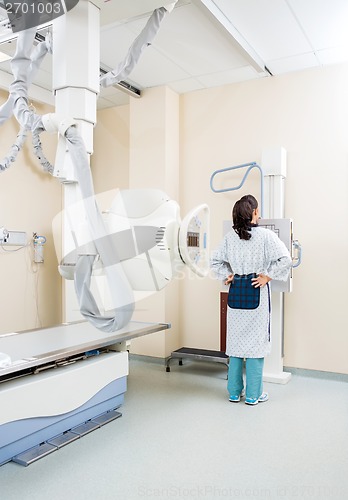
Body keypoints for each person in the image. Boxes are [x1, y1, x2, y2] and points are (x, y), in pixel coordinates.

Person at [210, 194, 292, 405]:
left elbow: (215, 262)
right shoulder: (265, 236)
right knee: (256, 346)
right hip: (257, 294)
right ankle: (254, 395)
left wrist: (227, 276)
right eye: (258, 210)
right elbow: (286, 259)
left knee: (235, 344)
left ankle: (234, 393)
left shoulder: (230, 237)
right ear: (254, 213)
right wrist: (267, 276)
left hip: (236, 292)